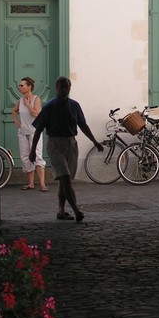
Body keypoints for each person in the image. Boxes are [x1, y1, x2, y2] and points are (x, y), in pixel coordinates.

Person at [30, 76, 103, 222]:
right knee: (65, 178)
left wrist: (95, 141)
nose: (64, 90)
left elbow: (83, 125)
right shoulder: (49, 106)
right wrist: (32, 150)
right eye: (61, 87)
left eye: (66, 87)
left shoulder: (75, 106)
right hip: (55, 144)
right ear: (56, 88)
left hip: (71, 144)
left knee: (65, 179)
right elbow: (38, 129)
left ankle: (61, 210)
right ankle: (76, 210)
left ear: (70, 88)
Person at [12, 77, 48, 191]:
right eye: (20, 85)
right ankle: (30, 183)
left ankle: (42, 184)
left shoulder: (36, 99)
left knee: (37, 156)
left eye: (22, 85)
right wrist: (17, 121)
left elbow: (36, 114)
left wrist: (28, 105)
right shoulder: (20, 100)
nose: (20, 87)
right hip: (22, 132)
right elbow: (14, 111)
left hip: (34, 132)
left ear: (29, 87)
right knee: (25, 157)